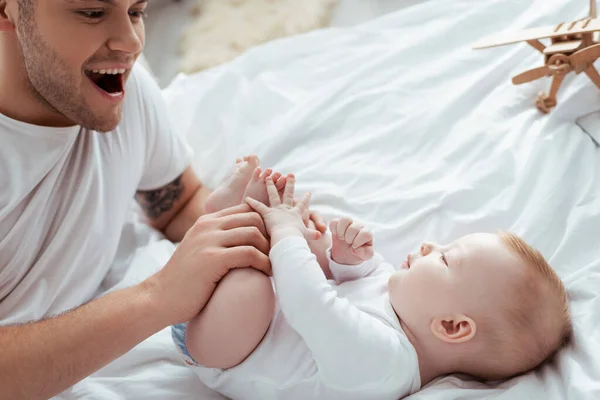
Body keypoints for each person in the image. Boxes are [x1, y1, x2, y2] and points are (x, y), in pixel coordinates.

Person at [0, 0, 326, 399]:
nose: (130, 42)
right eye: (92, 13)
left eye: (136, 12)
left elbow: (176, 202)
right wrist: (159, 297)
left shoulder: (119, 89)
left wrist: (267, 232)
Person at [171, 177, 573, 400]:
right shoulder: (403, 311)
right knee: (313, 240)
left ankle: (229, 217)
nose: (431, 246)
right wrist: (350, 262)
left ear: (451, 327)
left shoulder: (383, 365)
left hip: (222, 355)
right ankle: (236, 214)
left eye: (446, 258)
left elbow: (313, 304)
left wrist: (285, 232)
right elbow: (361, 290)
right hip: (259, 324)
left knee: (255, 286)